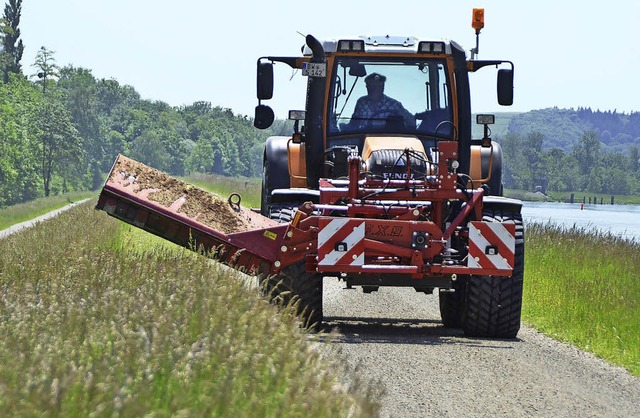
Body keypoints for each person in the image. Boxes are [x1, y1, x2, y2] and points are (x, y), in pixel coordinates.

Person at [348, 73, 415, 130]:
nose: (373, 90)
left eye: (377, 87)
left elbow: (412, 121)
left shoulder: (394, 105)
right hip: (364, 139)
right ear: (367, 87)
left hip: (388, 140)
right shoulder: (361, 103)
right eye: (371, 87)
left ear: (383, 87)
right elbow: (353, 125)